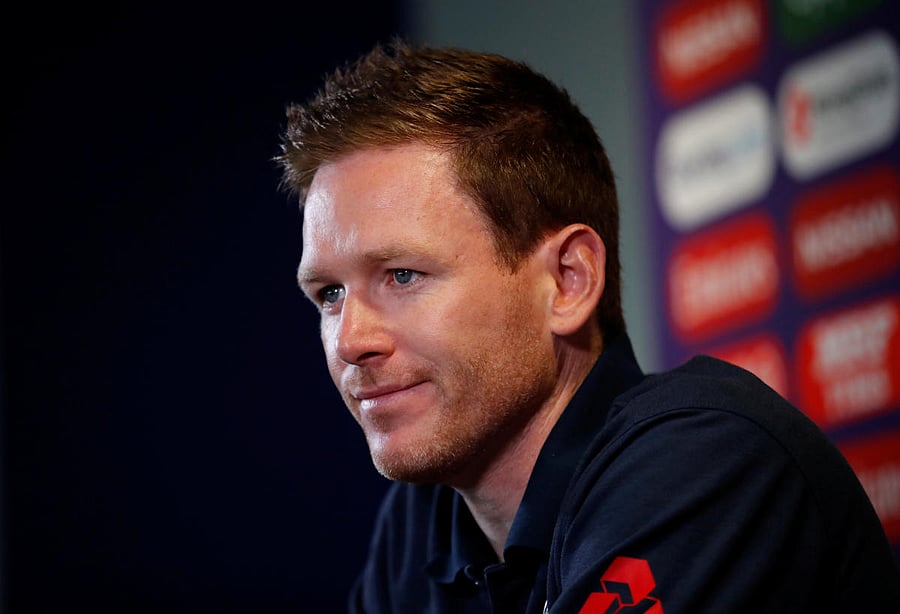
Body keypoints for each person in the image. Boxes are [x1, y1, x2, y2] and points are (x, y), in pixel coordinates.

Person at [278, 41, 900, 613]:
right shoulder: (419, 527)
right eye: (329, 293)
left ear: (568, 282)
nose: (351, 339)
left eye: (403, 275)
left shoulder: (705, 462)